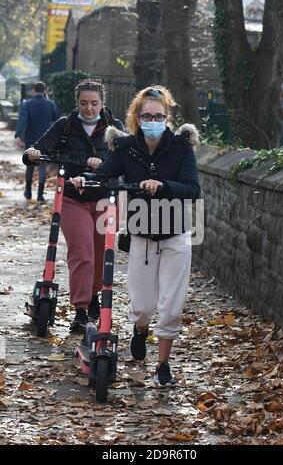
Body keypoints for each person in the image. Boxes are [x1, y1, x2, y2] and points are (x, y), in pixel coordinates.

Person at [71, 85, 200, 386]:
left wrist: (164, 186)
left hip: (176, 235)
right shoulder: (126, 147)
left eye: (159, 115)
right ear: (137, 118)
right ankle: (140, 329)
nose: (153, 120)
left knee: (171, 306)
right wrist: (84, 179)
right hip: (141, 235)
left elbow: (193, 189)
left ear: (167, 117)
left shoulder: (182, 148)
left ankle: (163, 366)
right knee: (142, 306)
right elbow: (104, 174)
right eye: (147, 115)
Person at [22, 78, 125, 332]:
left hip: (105, 198)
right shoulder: (65, 125)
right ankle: (80, 310)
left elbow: (126, 158)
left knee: (102, 255)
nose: (89, 108)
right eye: (83, 103)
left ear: (102, 103)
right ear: (76, 102)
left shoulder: (115, 126)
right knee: (82, 253)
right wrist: (32, 153)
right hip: (72, 198)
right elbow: (39, 147)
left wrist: (102, 162)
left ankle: (93, 296)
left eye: (94, 103)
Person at [15, 81, 60, 202]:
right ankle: (40, 194)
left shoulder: (28, 104)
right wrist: (49, 100)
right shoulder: (50, 104)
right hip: (46, 141)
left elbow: (22, 120)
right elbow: (56, 118)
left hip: (31, 139)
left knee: (29, 166)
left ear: (34, 90)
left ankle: (28, 191)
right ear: (44, 91)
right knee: (42, 168)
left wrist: (18, 135)